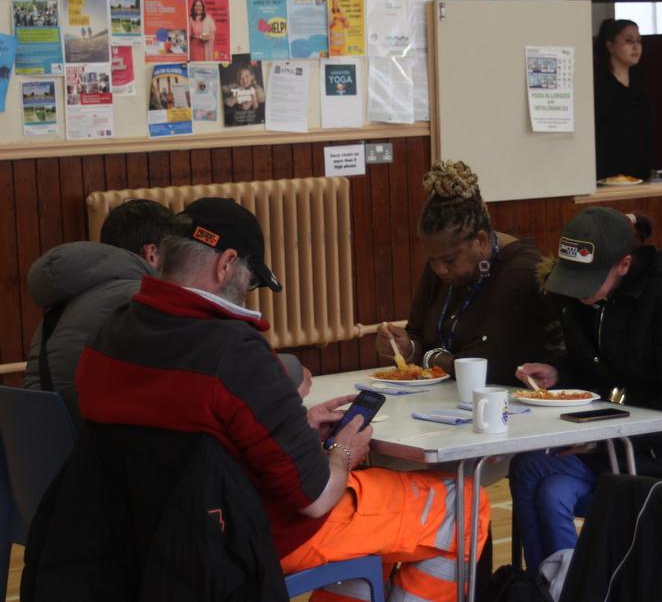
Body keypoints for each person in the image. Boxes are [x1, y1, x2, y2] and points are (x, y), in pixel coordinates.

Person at [76, 197, 489, 602]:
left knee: (375, 533)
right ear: (225, 265)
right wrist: (343, 449)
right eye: (251, 280)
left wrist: (297, 428)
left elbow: (194, 440)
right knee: (462, 504)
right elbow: (315, 497)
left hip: (145, 538)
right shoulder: (233, 351)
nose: (249, 293)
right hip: (248, 537)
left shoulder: (107, 337)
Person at [510, 207, 662, 571]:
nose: (577, 291)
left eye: (588, 279)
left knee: (542, 480)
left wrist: (601, 438)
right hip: (606, 439)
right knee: (538, 478)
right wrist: (559, 374)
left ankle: (567, 588)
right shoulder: (583, 300)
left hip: (659, 451)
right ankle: (551, 588)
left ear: (624, 265)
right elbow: (594, 368)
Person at [376, 160, 563, 386]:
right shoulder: (442, 260)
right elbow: (417, 334)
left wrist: (428, 356)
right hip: (446, 401)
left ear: (481, 241)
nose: (438, 269)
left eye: (449, 260)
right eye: (431, 259)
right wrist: (406, 348)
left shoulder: (520, 272)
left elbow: (485, 365)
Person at [23, 199, 175, 426]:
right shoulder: (139, 299)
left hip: (42, 448)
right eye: (175, 254)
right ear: (152, 254)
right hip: (90, 449)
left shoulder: (69, 299)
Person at [594, 19, 653, 181]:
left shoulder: (639, 80)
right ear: (610, 46)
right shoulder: (596, 80)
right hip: (605, 172)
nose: (636, 47)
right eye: (628, 41)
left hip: (639, 171)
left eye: (639, 41)